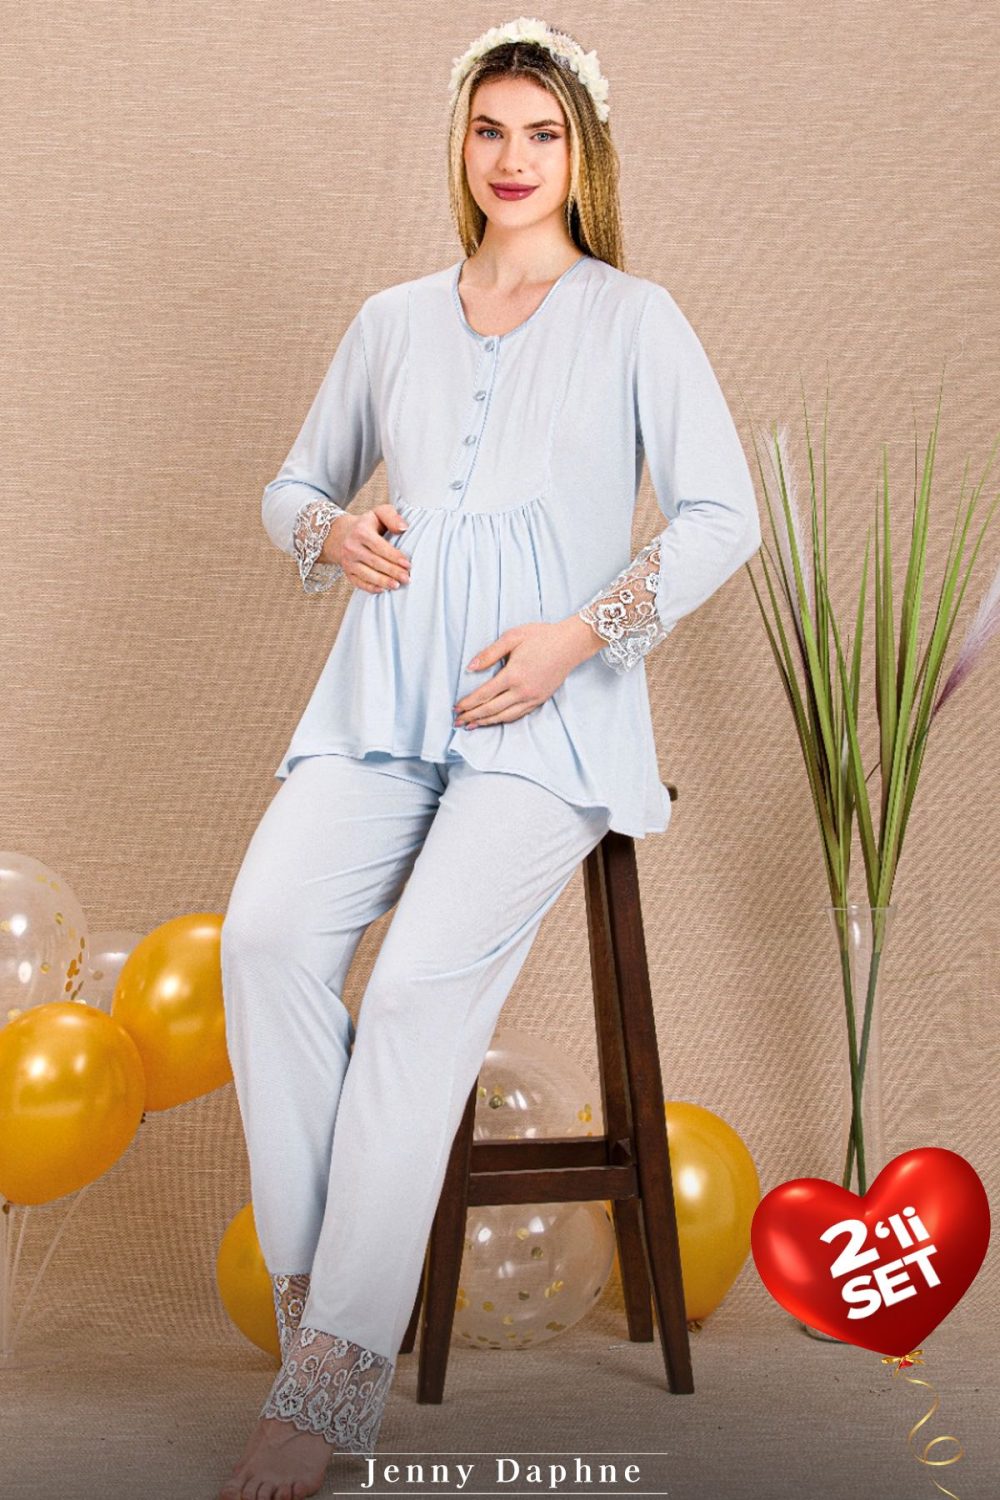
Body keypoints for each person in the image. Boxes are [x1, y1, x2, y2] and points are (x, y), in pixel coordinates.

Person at [218, 15, 762, 1499]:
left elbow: (723, 515)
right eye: (489, 129)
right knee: (264, 942)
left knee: (409, 999)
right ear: (459, 144)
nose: (513, 159)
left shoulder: (635, 318)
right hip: (381, 703)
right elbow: (290, 485)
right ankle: (325, 1330)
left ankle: (327, 1386)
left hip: (549, 728)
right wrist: (330, 530)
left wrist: (579, 638)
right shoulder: (393, 319)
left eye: (542, 133)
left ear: (583, 154)